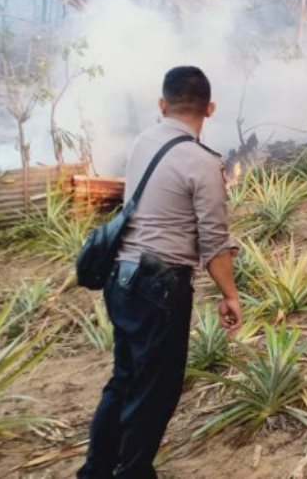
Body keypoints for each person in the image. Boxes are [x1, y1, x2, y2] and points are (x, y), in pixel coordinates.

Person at [79, 66, 242, 479]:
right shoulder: (202, 162)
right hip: (159, 288)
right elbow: (214, 244)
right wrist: (230, 295)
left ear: (161, 104)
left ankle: (96, 470)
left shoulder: (141, 143)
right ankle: (132, 472)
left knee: (125, 380)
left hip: (123, 279)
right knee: (155, 391)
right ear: (210, 108)